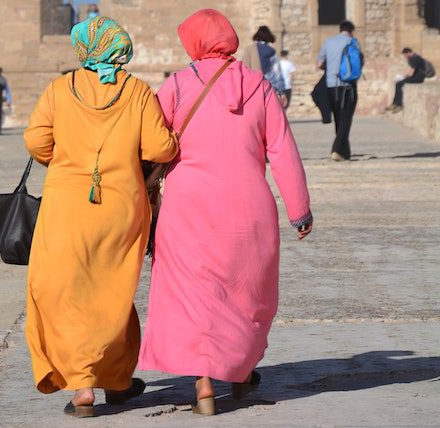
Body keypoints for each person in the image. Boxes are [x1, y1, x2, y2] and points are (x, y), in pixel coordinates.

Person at [138, 9, 312, 416]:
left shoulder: (177, 86)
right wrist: (299, 209)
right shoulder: (259, 86)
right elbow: (282, 150)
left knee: (193, 295)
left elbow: (150, 143)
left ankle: (202, 385)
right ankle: (239, 370)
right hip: (249, 209)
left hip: (188, 209)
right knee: (245, 294)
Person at [24, 16, 178, 418]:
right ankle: (117, 379)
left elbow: (37, 140)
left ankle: (83, 386)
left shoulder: (60, 89)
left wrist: (62, 161)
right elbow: (161, 148)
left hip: (66, 206)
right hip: (121, 208)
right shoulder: (139, 91)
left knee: (64, 291)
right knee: (113, 290)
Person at [316, 20, 361, 162]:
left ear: (340, 29)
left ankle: (345, 153)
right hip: (348, 86)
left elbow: (319, 64)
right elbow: (358, 65)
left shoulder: (328, 42)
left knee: (339, 119)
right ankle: (336, 149)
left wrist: (331, 69)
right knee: (346, 120)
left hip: (331, 85)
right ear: (351, 30)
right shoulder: (353, 42)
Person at [242, 26, 286, 104]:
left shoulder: (248, 49)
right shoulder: (271, 51)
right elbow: (277, 72)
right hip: (268, 85)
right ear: (268, 36)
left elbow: (244, 68)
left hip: (252, 86)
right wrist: (281, 91)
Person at [385, 48, 427, 113]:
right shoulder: (415, 58)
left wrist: (403, 77)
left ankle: (398, 104)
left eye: (405, 55)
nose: (405, 57)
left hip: (418, 78)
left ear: (408, 53)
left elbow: (411, 73)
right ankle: (395, 104)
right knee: (398, 83)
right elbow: (410, 71)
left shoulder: (416, 59)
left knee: (399, 84)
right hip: (417, 77)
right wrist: (404, 76)